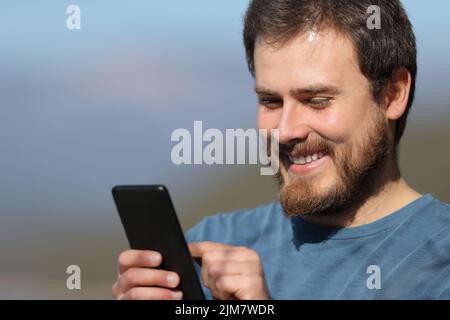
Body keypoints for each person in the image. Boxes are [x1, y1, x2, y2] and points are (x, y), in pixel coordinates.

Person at [112, 0, 450, 300]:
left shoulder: (438, 260)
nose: (286, 131)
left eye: (316, 101)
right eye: (270, 101)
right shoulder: (212, 246)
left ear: (392, 95)